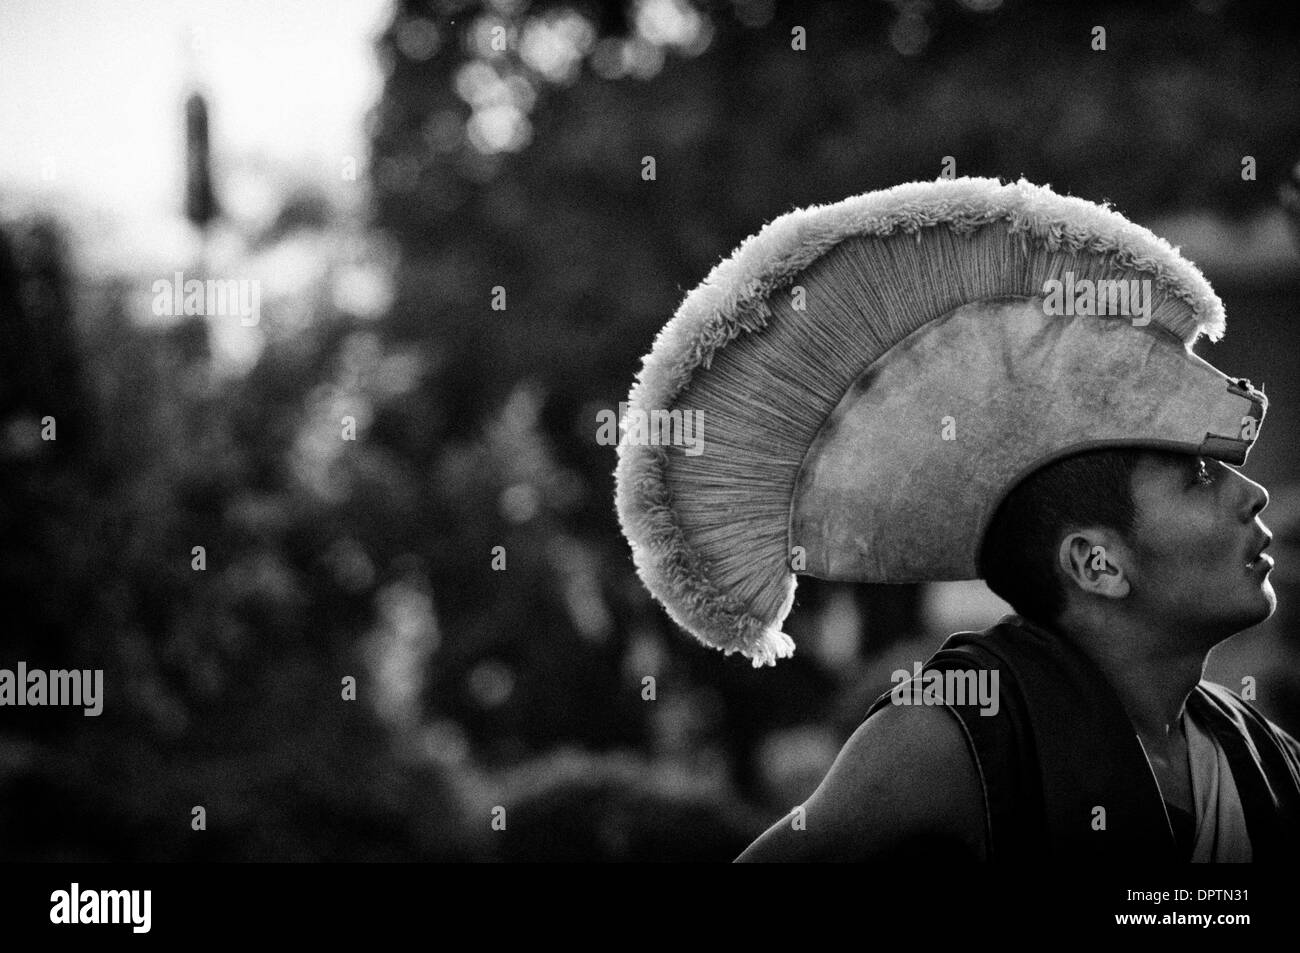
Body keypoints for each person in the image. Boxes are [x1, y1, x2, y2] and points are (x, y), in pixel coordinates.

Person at [613, 177, 1300, 861]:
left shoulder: (1262, 755)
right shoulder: (956, 737)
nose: (1255, 495)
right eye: (1201, 476)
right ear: (1097, 562)